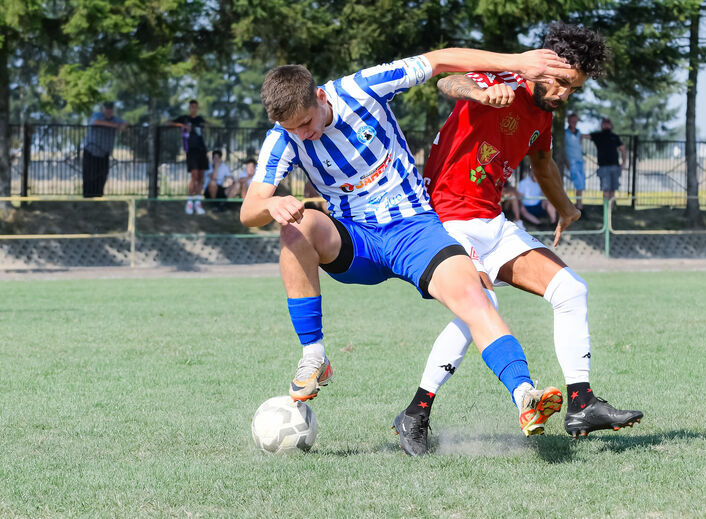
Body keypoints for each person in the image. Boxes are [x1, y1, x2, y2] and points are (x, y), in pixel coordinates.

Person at [240, 47, 575, 447]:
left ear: (320, 97)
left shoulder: (362, 88)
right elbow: (249, 211)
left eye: (307, 123)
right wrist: (271, 203)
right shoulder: (283, 139)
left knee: (474, 296)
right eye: (293, 129)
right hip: (357, 240)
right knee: (296, 227)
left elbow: (439, 61)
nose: (303, 134)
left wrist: (518, 63)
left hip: (415, 229)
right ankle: (314, 354)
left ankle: (526, 395)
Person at [394, 22, 643, 456]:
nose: (564, 93)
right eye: (563, 81)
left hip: (492, 221)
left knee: (571, 290)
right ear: (543, 62)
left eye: (574, 88)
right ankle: (416, 412)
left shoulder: (543, 112)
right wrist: (478, 92)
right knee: (482, 307)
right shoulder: (500, 78)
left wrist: (565, 208)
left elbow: (543, 164)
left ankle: (581, 403)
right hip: (445, 220)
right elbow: (449, 79)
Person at [169, 100, 209, 215]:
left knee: (201, 177)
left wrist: (204, 125)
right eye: (192, 107)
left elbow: (207, 125)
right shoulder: (184, 118)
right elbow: (169, 123)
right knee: (194, 176)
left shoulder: (200, 119)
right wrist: (182, 125)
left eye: (195, 107)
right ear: (189, 108)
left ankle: (197, 202)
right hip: (191, 151)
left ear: (197, 108)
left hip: (202, 150)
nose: (193, 109)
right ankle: (190, 202)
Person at [81, 101, 127, 197]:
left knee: (101, 176)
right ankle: (87, 198)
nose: (108, 111)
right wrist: (116, 126)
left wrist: (122, 125)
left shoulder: (115, 119)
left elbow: (126, 124)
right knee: (89, 176)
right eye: (107, 109)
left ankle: (98, 197)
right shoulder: (97, 115)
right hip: (91, 151)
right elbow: (96, 122)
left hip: (104, 153)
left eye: (110, 109)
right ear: (103, 109)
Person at [589, 118, 626, 203]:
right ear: (602, 125)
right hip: (603, 167)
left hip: (615, 167)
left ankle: (611, 211)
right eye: (604, 123)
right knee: (605, 190)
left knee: (613, 190)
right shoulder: (597, 135)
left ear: (611, 125)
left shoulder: (615, 137)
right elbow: (582, 136)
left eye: (607, 123)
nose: (606, 125)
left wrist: (624, 162)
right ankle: (606, 211)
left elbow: (623, 149)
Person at [564, 112, 585, 210]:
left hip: (580, 161)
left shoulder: (579, 132)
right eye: (572, 121)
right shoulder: (565, 133)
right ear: (569, 121)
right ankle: (579, 206)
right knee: (578, 183)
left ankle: (578, 205)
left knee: (581, 184)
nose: (574, 122)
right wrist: (566, 162)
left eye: (575, 121)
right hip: (572, 162)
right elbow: (563, 149)